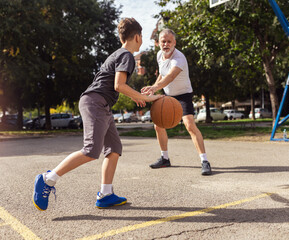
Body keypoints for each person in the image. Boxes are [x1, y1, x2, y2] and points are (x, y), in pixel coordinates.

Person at [32, 18, 163, 211]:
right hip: (95, 102)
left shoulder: (119, 54)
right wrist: (147, 98)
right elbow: (119, 85)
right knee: (91, 150)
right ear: (137, 36)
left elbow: (116, 85)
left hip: (101, 104)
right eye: (141, 36)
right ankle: (47, 179)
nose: (141, 38)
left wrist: (137, 96)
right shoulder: (126, 55)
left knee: (114, 148)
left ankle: (105, 194)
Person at [141, 29, 212, 176]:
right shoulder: (159, 55)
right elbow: (162, 73)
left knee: (190, 125)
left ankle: (204, 161)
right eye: (163, 41)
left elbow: (171, 76)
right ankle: (165, 158)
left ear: (174, 43)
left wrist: (155, 87)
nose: (166, 44)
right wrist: (154, 88)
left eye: (169, 41)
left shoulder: (179, 58)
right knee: (158, 125)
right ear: (158, 43)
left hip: (183, 94)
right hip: (168, 94)